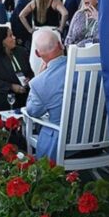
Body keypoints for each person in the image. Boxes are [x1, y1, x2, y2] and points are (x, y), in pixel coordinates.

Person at [26, 29, 66, 160]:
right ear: (61, 45)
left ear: (37, 54)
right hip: (99, 139)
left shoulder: (40, 82)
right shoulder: (90, 67)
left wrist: (39, 76)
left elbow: (32, 111)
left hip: (61, 144)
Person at [0, 27, 34, 111]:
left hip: (22, 90)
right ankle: (10, 123)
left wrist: (28, 78)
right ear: (2, 41)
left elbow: (29, 72)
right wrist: (10, 86)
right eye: (10, 36)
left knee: (36, 98)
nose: (14, 37)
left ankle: (28, 123)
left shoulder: (21, 51)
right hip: (1, 92)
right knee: (8, 101)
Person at [19, 0, 68, 74]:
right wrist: (61, 27)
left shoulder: (34, 2)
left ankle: (38, 78)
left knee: (37, 59)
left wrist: (30, 29)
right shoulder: (54, 2)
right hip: (52, 32)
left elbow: (21, 15)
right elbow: (65, 13)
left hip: (38, 33)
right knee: (55, 58)